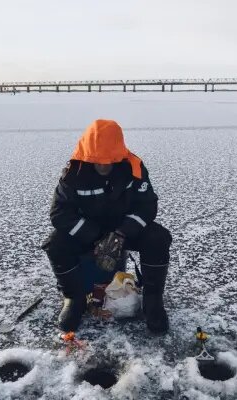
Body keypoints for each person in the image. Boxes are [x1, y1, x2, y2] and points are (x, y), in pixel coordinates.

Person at [41, 119, 172, 334]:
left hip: (124, 230)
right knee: (56, 244)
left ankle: (153, 300)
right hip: (89, 232)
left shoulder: (134, 169)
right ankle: (74, 299)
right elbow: (59, 213)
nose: (103, 165)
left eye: (109, 160)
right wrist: (95, 236)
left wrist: (121, 233)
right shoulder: (73, 174)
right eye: (97, 160)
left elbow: (147, 207)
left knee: (158, 237)